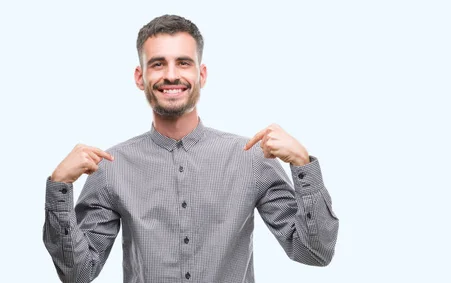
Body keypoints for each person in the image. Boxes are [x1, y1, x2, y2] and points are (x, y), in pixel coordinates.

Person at [43, 14, 339, 283]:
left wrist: (302, 165)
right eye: (158, 63)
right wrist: (59, 186)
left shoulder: (251, 159)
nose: (171, 75)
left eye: (183, 62)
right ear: (140, 77)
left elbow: (314, 253)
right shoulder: (110, 166)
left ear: (202, 74)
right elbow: (78, 273)